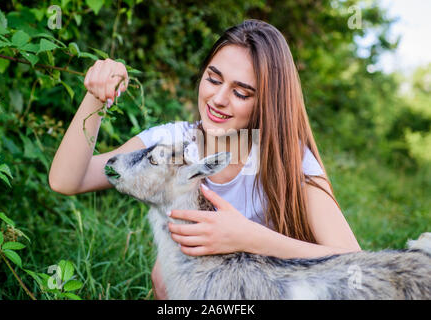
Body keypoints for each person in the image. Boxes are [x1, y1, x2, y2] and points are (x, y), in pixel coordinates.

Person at [49, 19, 361, 300]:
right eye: (214, 79)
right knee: (164, 274)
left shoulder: (285, 159)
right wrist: (97, 97)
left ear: (266, 102)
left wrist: (248, 238)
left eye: (241, 92)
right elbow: (67, 180)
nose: (219, 98)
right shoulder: (172, 144)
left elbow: (353, 263)